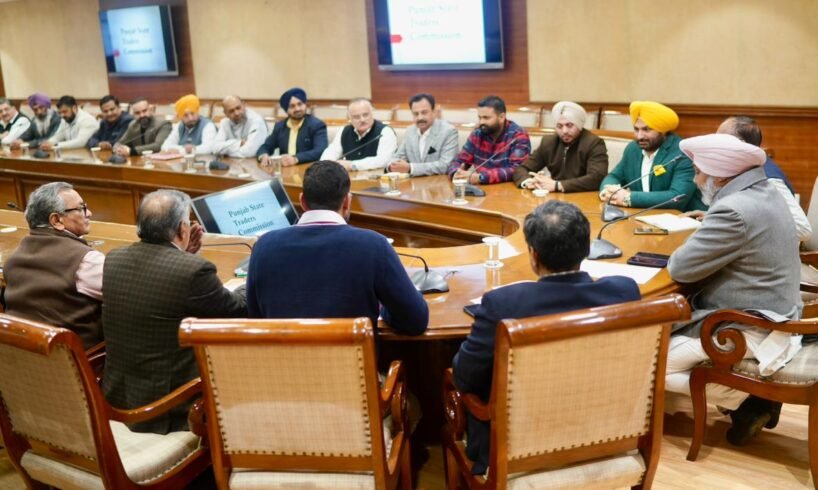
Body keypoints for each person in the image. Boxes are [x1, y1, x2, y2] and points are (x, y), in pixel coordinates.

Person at [452, 200, 641, 475]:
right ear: (587, 249)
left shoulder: (503, 304)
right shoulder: (624, 291)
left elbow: (464, 378)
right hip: (604, 433)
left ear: (534, 255)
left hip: (517, 448)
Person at [665, 133, 802, 446]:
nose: (696, 180)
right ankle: (746, 399)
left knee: (652, 365)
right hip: (779, 310)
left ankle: (748, 400)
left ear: (720, 176)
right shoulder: (766, 191)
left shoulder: (733, 209)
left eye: (699, 172)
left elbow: (679, 268)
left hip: (752, 324)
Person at [102, 190, 247, 434]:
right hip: (169, 409)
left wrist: (182, 256)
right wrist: (250, 280)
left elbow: (160, 287)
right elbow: (237, 310)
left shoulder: (114, 258)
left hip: (118, 397)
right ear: (182, 228)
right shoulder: (194, 271)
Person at [246, 160, 427, 337]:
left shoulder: (263, 247)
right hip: (354, 358)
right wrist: (382, 308)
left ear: (302, 201)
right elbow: (415, 320)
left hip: (282, 357)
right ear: (347, 201)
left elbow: (255, 319)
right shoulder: (373, 245)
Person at [3, 182, 103, 349]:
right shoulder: (86, 261)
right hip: (80, 360)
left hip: (26, 358)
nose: (89, 213)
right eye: (81, 208)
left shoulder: (13, 259)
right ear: (56, 220)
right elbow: (128, 297)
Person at [715, 115, 811, 242]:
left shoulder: (769, 179)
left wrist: (741, 225)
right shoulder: (742, 170)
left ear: (740, 146)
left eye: (720, 141)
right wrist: (723, 218)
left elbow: (802, 229)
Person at [599, 101, 704, 211]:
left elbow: (677, 197)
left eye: (647, 129)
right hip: (641, 214)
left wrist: (629, 198)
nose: (639, 136)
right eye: (636, 129)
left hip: (681, 216)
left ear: (662, 130)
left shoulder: (683, 152)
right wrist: (608, 191)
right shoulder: (633, 149)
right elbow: (614, 176)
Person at [512, 101, 608, 192]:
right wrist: (529, 181)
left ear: (579, 125)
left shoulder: (594, 143)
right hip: (554, 197)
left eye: (569, 125)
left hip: (583, 196)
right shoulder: (548, 142)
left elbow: (597, 177)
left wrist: (558, 185)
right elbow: (521, 169)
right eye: (559, 126)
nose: (564, 131)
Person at [446, 95, 531, 185]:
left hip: (507, 189)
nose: (481, 122)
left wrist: (481, 177)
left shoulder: (518, 136)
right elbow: (459, 160)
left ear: (501, 117)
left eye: (486, 118)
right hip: (480, 188)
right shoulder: (477, 133)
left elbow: (517, 170)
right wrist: (456, 173)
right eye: (480, 117)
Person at [387, 93, 458, 176]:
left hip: (438, 182)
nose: (420, 118)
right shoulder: (410, 131)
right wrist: (391, 166)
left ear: (434, 111)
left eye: (424, 112)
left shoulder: (449, 131)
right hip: (412, 182)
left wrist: (410, 168)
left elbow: (446, 165)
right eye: (415, 114)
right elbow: (397, 157)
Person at [319, 98, 397, 172]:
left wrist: (352, 165)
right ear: (349, 118)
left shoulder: (385, 132)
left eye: (365, 115)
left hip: (376, 178)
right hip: (348, 178)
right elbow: (331, 152)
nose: (362, 120)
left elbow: (383, 161)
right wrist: (326, 164)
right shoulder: (344, 131)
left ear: (372, 114)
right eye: (356, 117)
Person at [256, 87, 328, 166]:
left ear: (305, 105)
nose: (297, 109)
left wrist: (296, 158)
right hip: (286, 169)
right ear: (286, 110)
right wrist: (263, 156)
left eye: (300, 104)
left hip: (309, 168)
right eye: (292, 106)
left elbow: (320, 150)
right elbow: (266, 146)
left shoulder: (317, 125)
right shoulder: (280, 127)